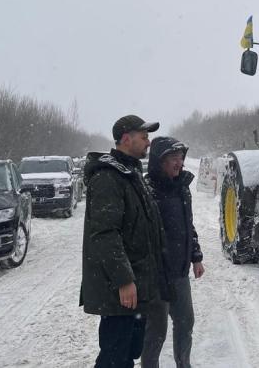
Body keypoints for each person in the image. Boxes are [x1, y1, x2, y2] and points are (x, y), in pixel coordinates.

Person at [80, 114, 169, 368]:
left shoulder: (130, 173)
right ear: (126, 139)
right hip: (120, 290)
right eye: (144, 137)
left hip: (136, 285)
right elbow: (105, 234)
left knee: (128, 352)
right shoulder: (108, 177)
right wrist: (124, 280)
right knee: (114, 357)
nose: (148, 143)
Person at [141, 136, 205, 368]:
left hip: (179, 273)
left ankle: (183, 364)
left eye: (180, 159)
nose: (179, 164)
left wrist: (196, 257)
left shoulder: (182, 189)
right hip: (157, 276)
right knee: (156, 332)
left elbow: (188, 226)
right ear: (159, 162)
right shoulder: (147, 192)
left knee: (186, 322)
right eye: (173, 160)